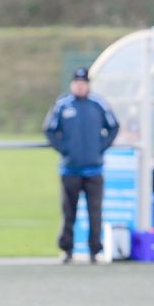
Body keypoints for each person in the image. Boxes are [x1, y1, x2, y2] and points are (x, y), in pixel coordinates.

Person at [43, 67, 119, 264]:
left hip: (94, 169)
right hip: (70, 169)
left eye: (83, 82)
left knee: (95, 212)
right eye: (77, 82)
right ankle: (67, 249)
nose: (80, 86)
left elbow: (113, 126)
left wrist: (100, 148)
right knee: (69, 211)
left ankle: (95, 250)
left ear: (88, 85)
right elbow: (49, 129)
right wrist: (65, 149)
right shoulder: (62, 105)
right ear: (72, 84)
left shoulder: (98, 104)